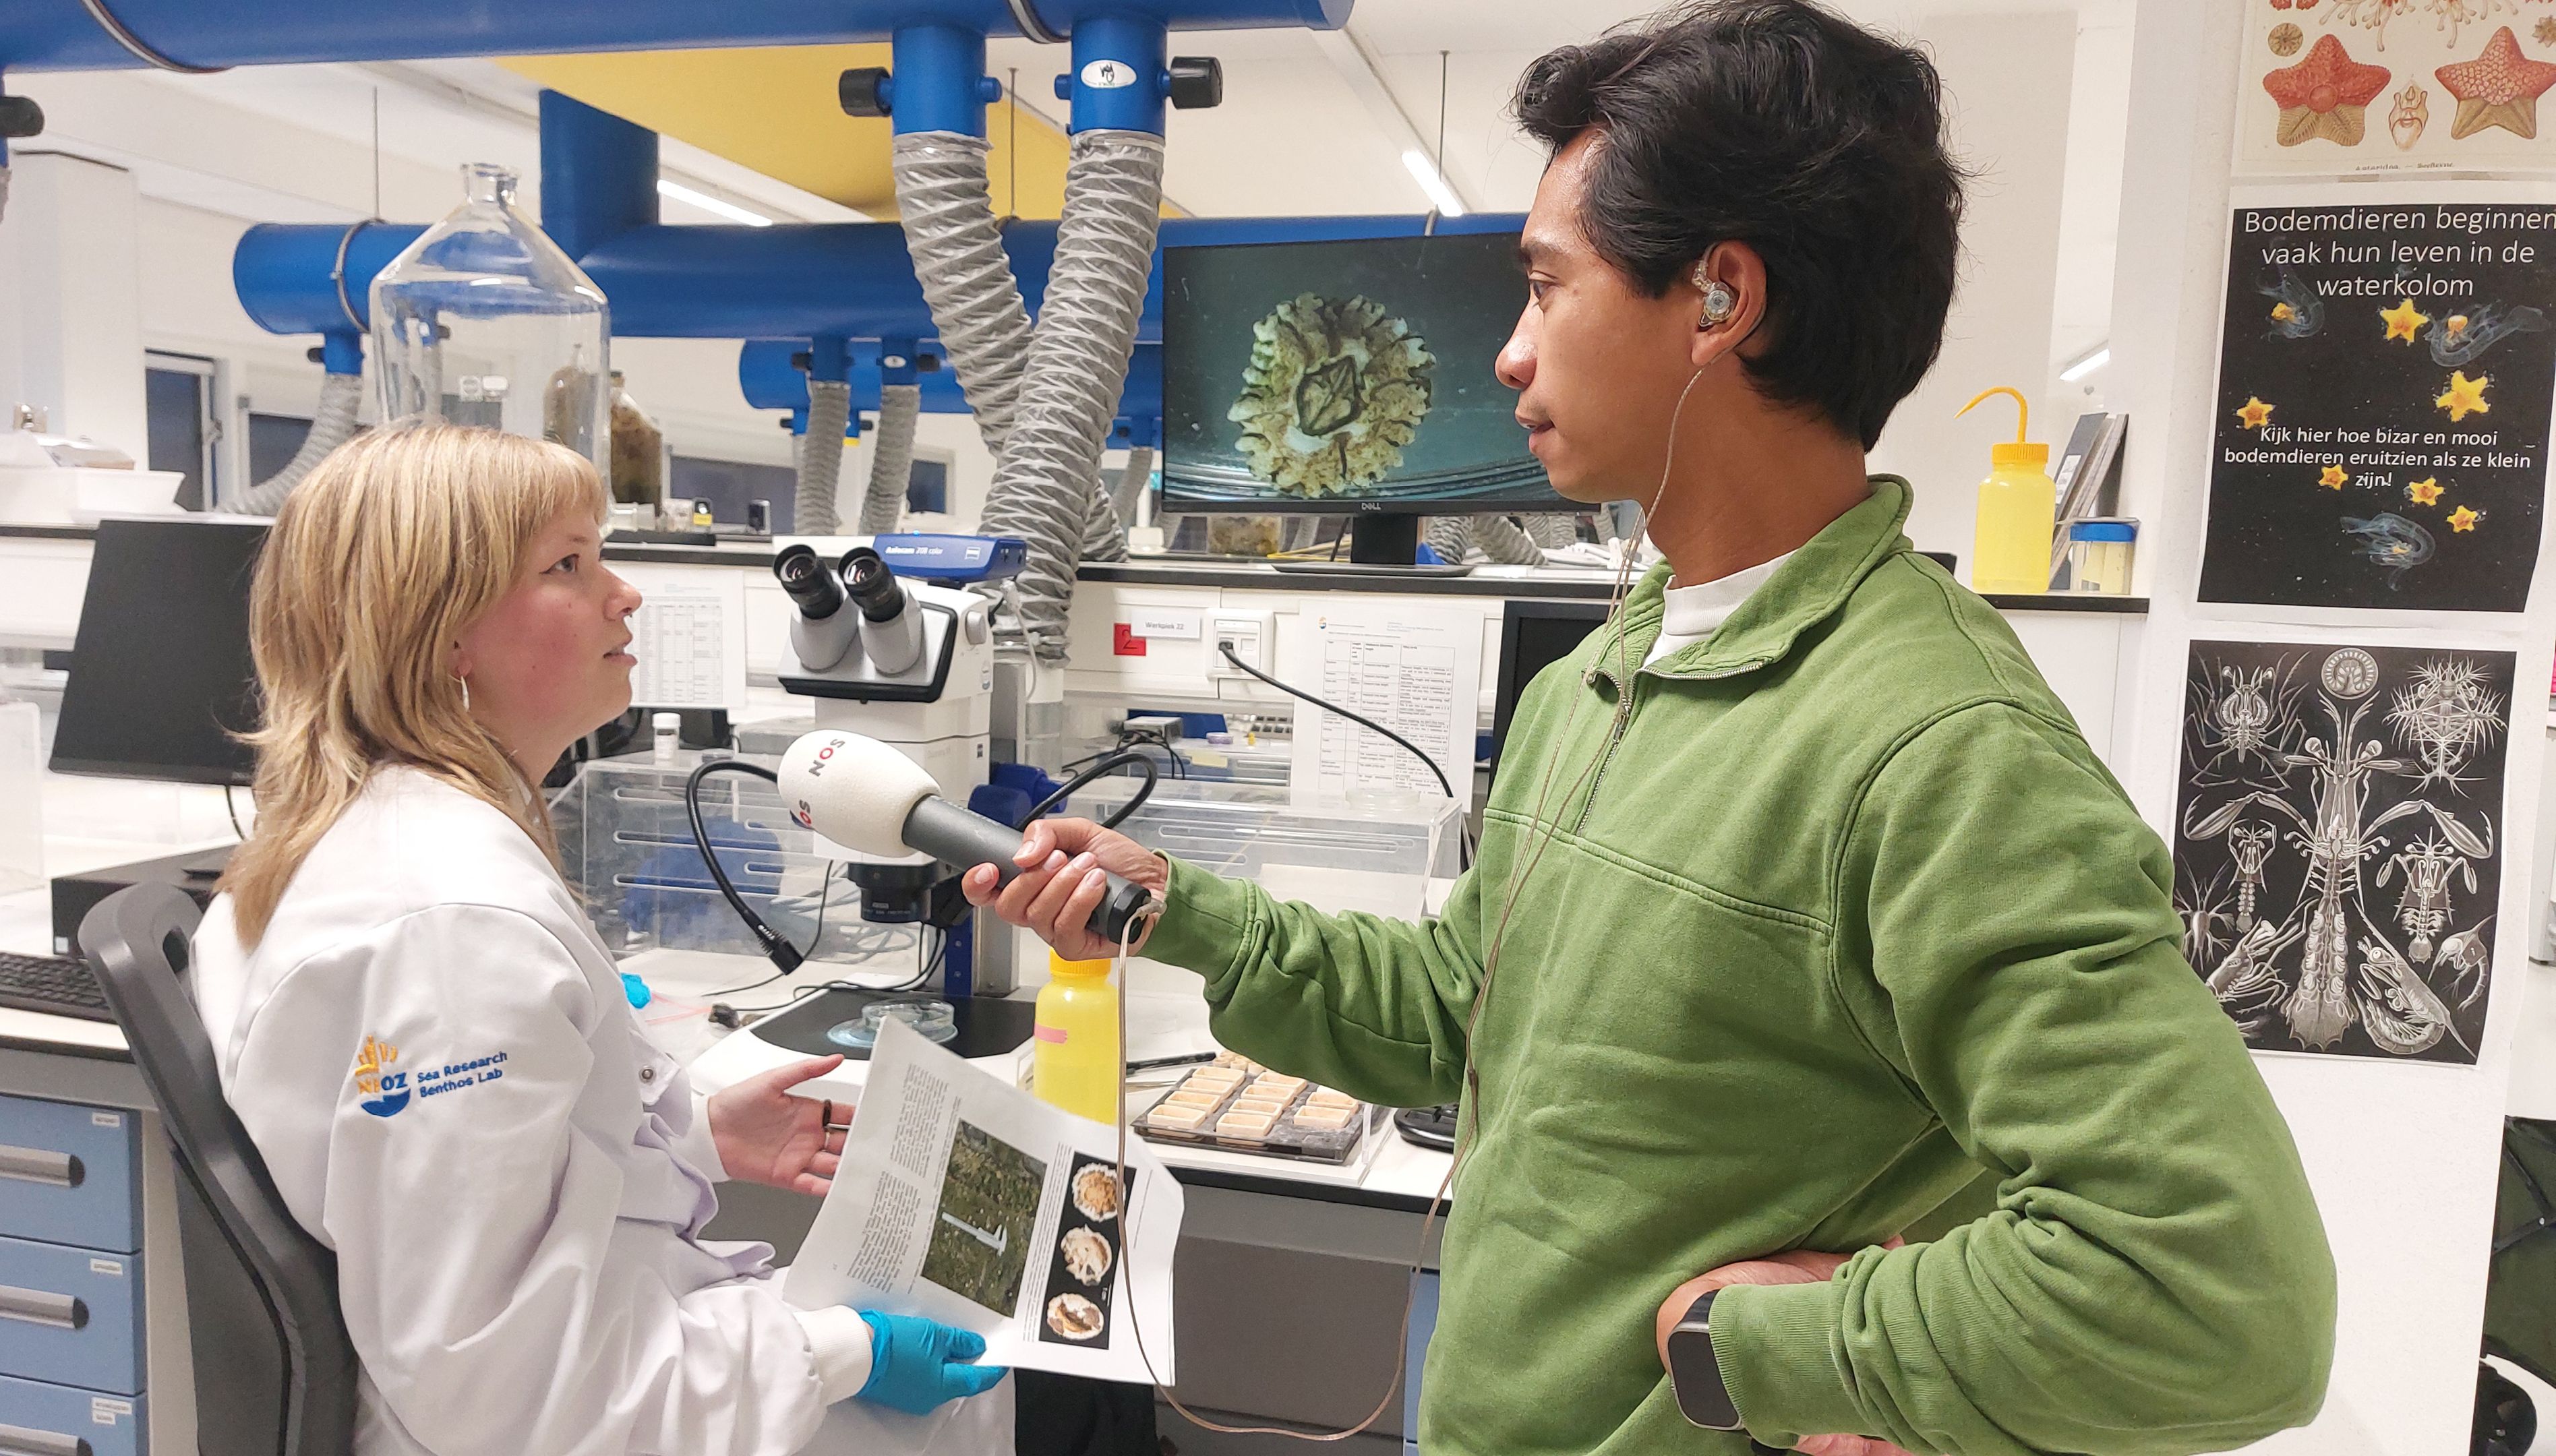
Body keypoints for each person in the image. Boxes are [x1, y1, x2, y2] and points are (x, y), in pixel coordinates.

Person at [968, 3, 2339, 1454]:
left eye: (1545, 287)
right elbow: (1465, 1009)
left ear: (1718, 300)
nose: (1507, 354)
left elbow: (2220, 1297)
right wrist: (1187, 917)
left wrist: (1770, 1346)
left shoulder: (1936, 751)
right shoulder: (1602, 683)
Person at [194, 423, 1009, 1456]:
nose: (624, 594)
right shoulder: (455, 934)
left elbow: (466, 1193)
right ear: (442, 635)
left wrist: (698, 1138)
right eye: (568, 566)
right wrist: (838, 1351)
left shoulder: (379, 839)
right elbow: (504, 1396)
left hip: (572, 1358)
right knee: (976, 1393)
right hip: (545, 1415)